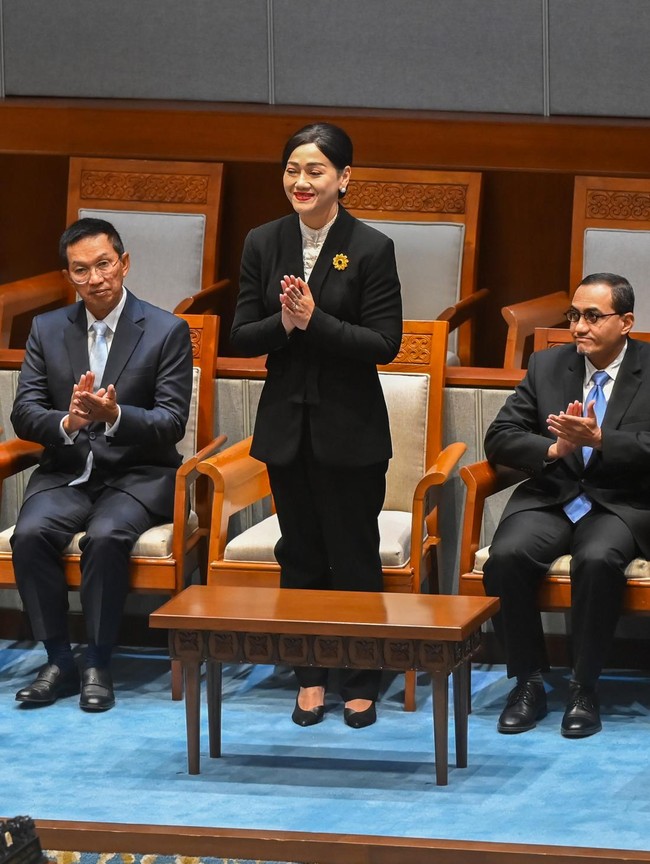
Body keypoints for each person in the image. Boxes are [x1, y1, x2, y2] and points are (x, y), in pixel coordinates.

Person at [230, 122, 402, 728]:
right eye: (292, 171)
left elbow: (385, 343)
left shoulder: (372, 247)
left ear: (344, 179)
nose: (301, 182)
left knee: (353, 557)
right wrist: (286, 321)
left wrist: (315, 320)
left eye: (316, 171)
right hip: (285, 427)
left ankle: (360, 679)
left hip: (349, 430)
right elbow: (241, 333)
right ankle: (309, 676)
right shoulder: (262, 240)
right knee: (299, 554)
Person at [12, 217, 193, 712]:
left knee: (109, 536)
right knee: (28, 535)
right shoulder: (47, 330)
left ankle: (96, 659)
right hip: (67, 471)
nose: (95, 278)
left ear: (124, 263)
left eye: (104, 264)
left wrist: (115, 415)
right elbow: (24, 412)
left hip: (139, 474)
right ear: (68, 275)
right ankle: (57, 661)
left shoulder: (165, 330)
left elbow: (172, 421)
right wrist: (67, 421)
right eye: (81, 270)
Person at [483, 272, 650, 738]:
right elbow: (499, 438)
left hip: (618, 502)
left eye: (593, 316)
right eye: (575, 315)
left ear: (626, 321)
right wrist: (552, 450)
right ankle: (529, 681)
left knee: (597, 560)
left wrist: (601, 440)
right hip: (553, 494)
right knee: (507, 557)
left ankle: (584, 687)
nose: (579, 326)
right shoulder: (547, 366)